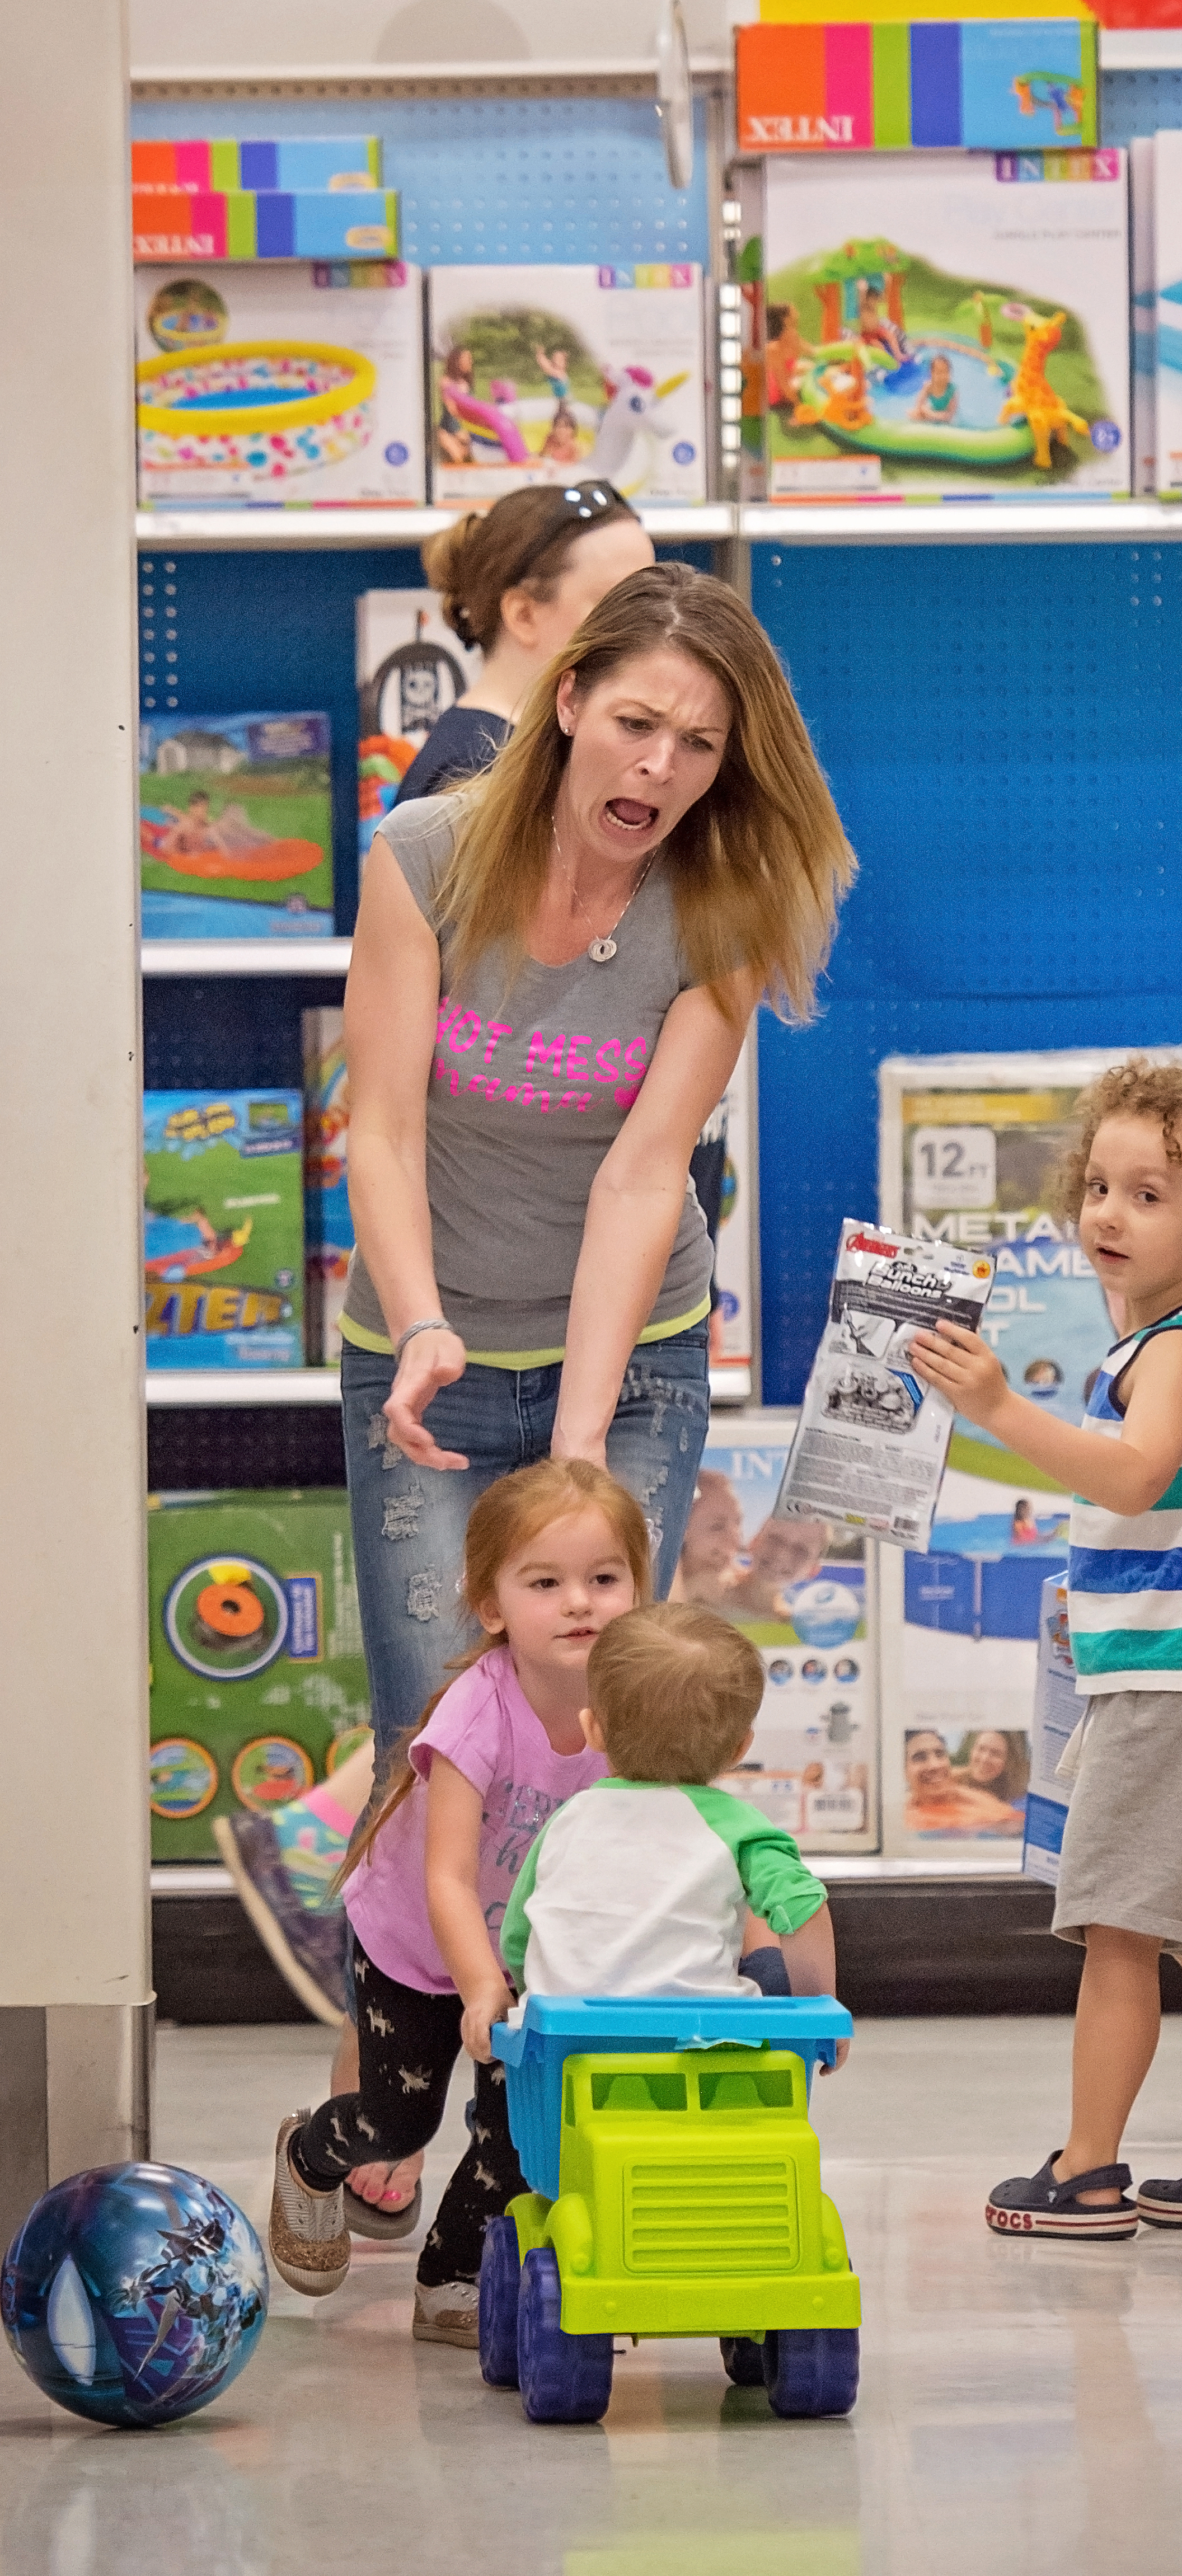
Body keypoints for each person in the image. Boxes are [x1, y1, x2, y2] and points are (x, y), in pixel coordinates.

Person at [302, 560, 852, 2236]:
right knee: (435, 1730)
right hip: (425, 1337)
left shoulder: (721, 904)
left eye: (699, 744)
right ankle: (377, 2085)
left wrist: (576, 1443)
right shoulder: (423, 856)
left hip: (634, 1346)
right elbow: (382, 1125)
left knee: (591, 1722)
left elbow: (638, 1176)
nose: (659, 768)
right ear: (565, 703)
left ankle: (521, 2138)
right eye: (635, 723)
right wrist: (420, 1326)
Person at [909, 1059, 1182, 2242]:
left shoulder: (1169, 1351)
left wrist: (1001, 1408)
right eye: (1098, 1185)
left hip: (1165, 1685)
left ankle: (1086, 2169)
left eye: (1148, 1194)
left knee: (1116, 1931)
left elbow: (1135, 1477)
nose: (1109, 1213)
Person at [266, 1458, 651, 2346]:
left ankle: (449, 2277)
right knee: (397, 2118)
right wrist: (479, 1985)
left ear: (638, 1586)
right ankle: (308, 2155)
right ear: (490, 1605)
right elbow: (445, 1876)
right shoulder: (478, 1714)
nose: (579, 1603)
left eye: (604, 1578)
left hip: (522, 1954)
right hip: (412, 1943)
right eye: (544, 1583)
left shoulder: (629, 1709)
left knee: (517, 2132)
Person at [500, 1603, 843, 2056]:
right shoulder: (738, 1827)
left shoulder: (567, 1819)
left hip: (571, 2045)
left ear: (593, 1729)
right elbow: (804, 1908)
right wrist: (819, 2020)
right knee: (771, 1967)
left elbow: (517, 1935)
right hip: (700, 2043)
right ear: (740, 1748)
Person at [396, 480, 655, 804]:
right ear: (523, 616)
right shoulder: (479, 774)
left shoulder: (520, 750)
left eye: (651, 600)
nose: (653, 625)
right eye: (617, 603)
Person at [902, 1728, 1017, 1833]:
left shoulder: (990, 1808)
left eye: (940, 1754)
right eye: (919, 1758)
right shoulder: (902, 1813)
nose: (935, 1765)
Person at [723, 1512, 831, 1622]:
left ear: (813, 1570)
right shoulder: (713, 1586)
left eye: (800, 1550)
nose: (781, 1555)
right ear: (753, 1543)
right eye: (775, 1539)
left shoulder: (791, 1625)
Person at [671, 1464, 745, 1608]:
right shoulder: (654, 1580)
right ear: (680, 1531)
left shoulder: (744, 1587)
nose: (735, 1539)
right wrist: (692, 1589)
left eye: (738, 1522)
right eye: (717, 1527)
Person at [957, 1727, 1031, 1814]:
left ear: (1009, 1762)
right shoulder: (954, 1781)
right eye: (981, 1749)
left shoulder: (1020, 1802)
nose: (984, 1759)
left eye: (995, 1754)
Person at [914, 353, 958, 424]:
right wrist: (930, 414)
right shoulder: (929, 387)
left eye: (946, 372)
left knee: (951, 422)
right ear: (932, 373)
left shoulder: (952, 390)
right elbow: (919, 405)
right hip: (932, 413)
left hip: (944, 416)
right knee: (913, 414)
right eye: (939, 373)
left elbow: (950, 415)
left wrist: (934, 416)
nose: (942, 376)